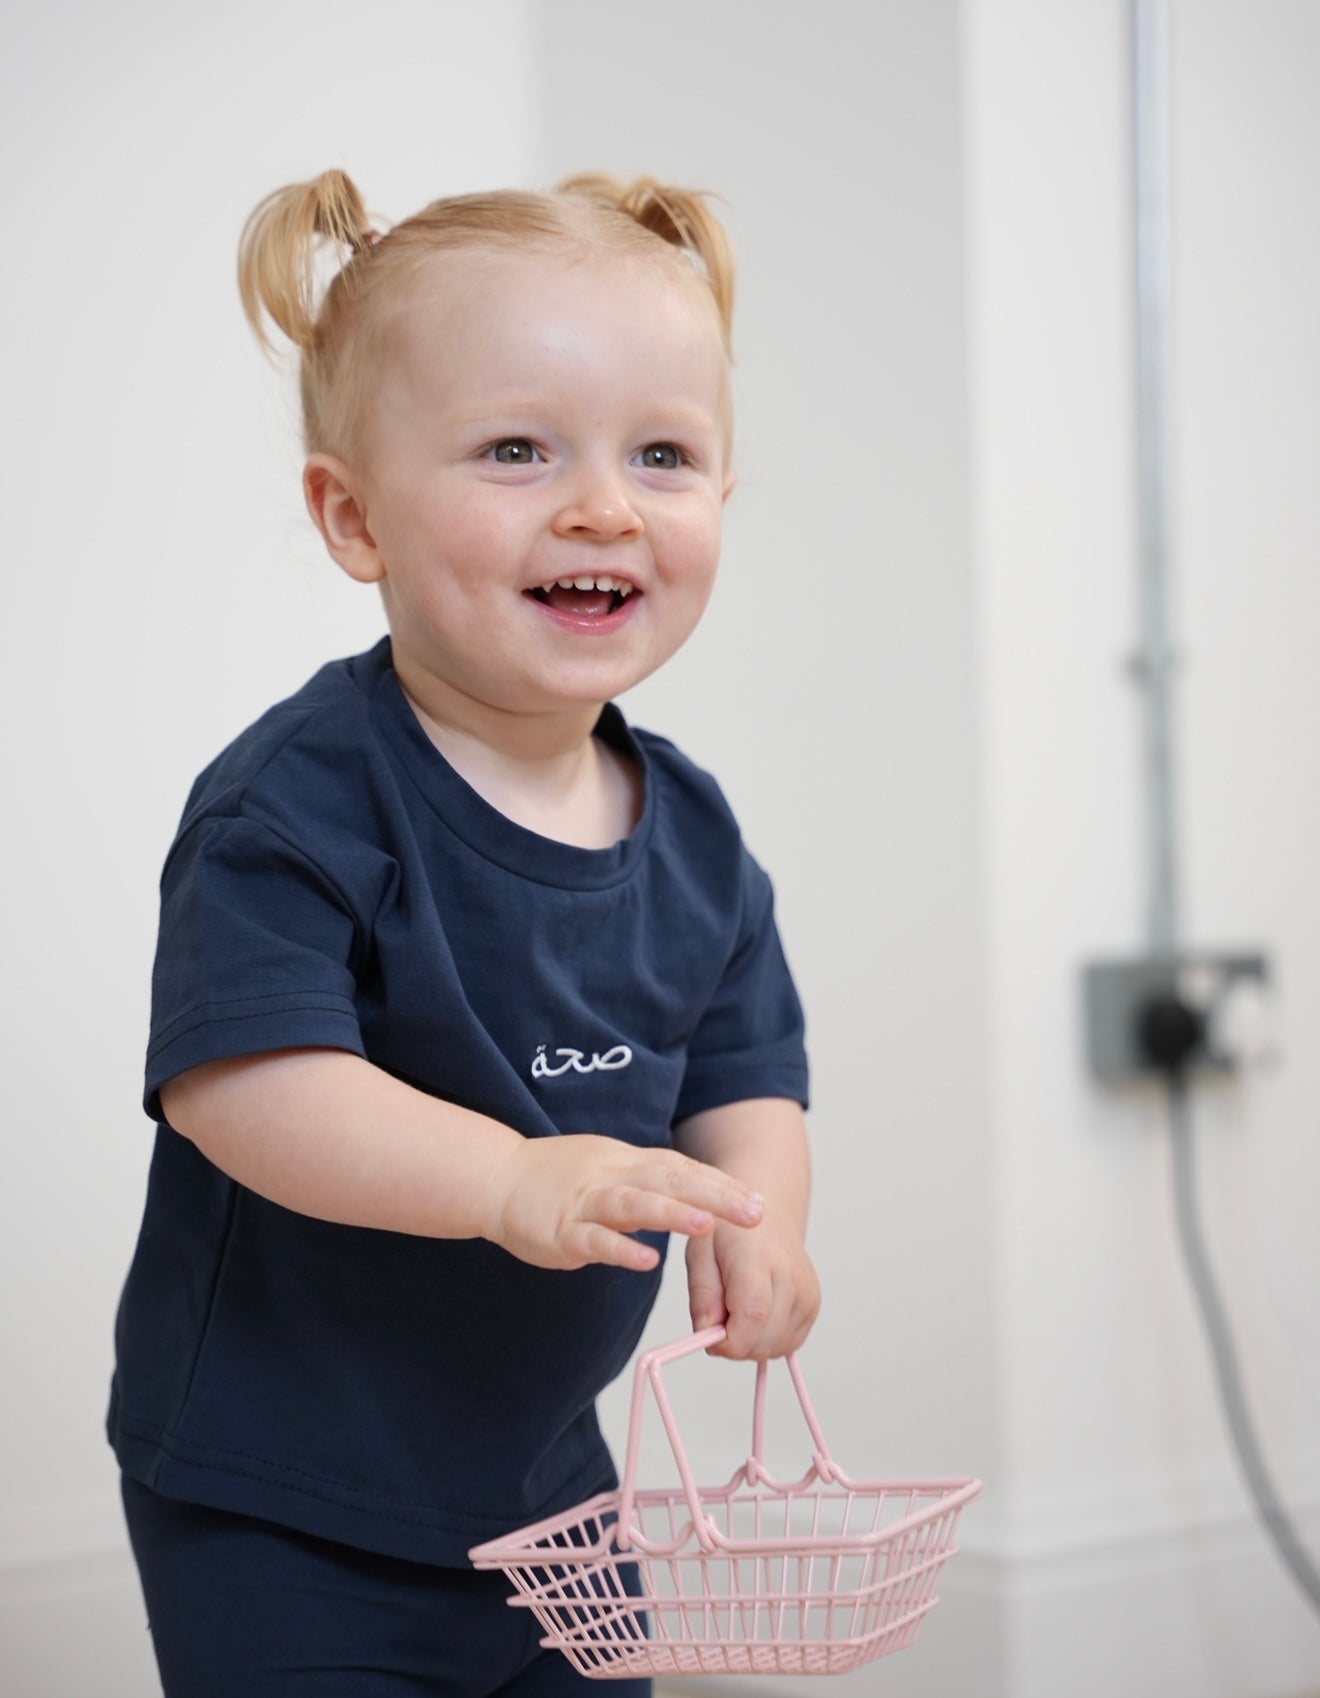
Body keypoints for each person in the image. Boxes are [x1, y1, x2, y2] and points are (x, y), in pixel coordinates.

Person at [108, 167, 819, 1698]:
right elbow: (244, 1083)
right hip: (285, 1494)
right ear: (352, 515)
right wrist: (507, 1177)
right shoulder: (296, 802)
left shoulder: (691, 832)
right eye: (516, 448)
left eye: (665, 453)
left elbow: (746, 1062)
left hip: (548, 1486)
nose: (602, 505)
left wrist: (766, 1221)